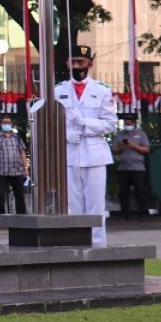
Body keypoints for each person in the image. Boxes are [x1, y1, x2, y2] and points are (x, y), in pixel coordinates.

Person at [53, 44, 117, 246]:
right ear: (67, 63)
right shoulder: (58, 91)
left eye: (80, 62)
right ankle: (75, 244)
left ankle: (97, 246)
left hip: (95, 154)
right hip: (69, 153)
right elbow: (51, 122)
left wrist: (85, 124)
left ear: (89, 63)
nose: (77, 66)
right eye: (73, 62)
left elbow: (110, 124)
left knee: (96, 206)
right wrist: (65, 133)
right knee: (72, 206)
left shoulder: (102, 91)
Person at [0, 116, 29, 218]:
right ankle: (0, 217)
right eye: (4, 122)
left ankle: (21, 217)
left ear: (11, 124)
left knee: (20, 195)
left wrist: (26, 168)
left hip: (17, 171)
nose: (6, 124)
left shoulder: (16, 137)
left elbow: (22, 152)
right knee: (0, 196)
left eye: (8, 122)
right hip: (1, 171)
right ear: (0, 124)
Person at [112, 116, 151, 220]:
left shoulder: (141, 134)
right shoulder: (119, 134)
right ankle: (125, 214)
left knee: (140, 191)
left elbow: (146, 149)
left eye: (129, 124)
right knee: (124, 192)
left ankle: (142, 214)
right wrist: (121, 147)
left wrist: (135, 146)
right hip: (123, 168)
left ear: (133, 123)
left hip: (138, 168)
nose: (127, 125)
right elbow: (114, 150)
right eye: (126, 123)